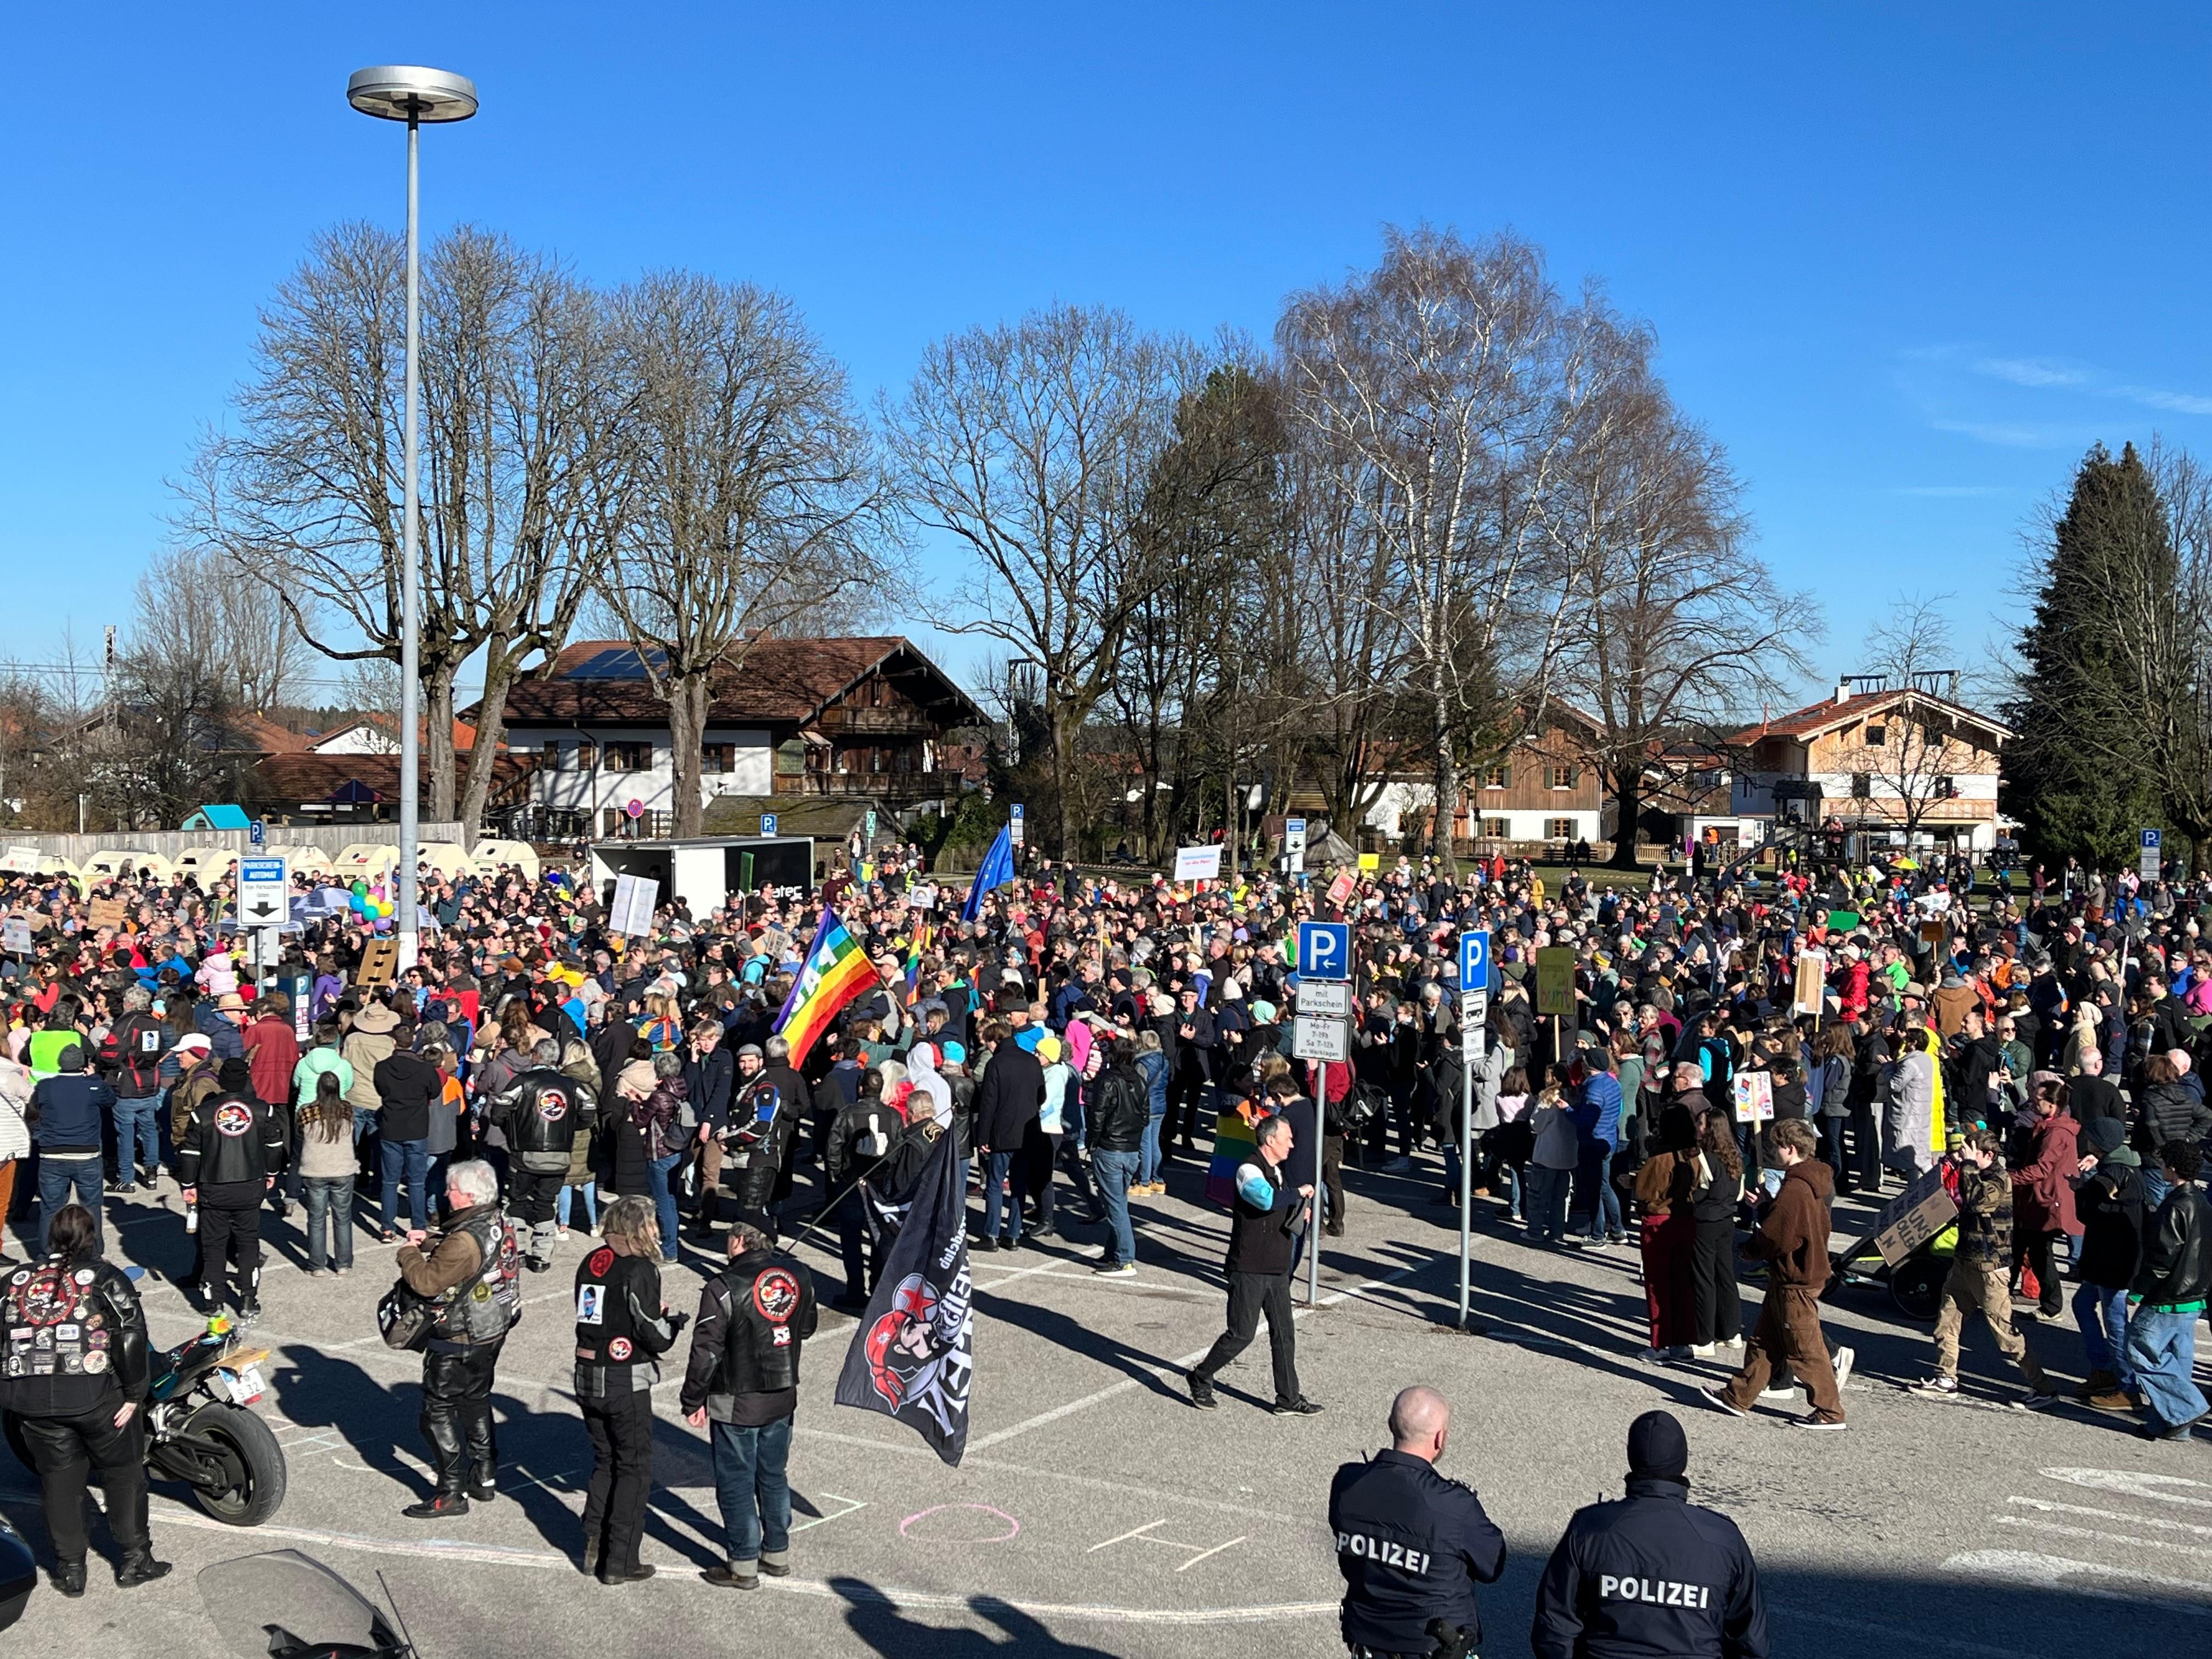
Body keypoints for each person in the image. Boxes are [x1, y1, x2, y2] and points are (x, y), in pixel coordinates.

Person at [0, 1203, 168, 1595]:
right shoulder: (105, 1277)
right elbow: (130, 1336)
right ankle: (135, 1560)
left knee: (59, 1483)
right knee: (124, 1476)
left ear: (50, 1237)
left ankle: (71, 1569)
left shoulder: (14, 1281)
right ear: (91, 1237)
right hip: (98, 1400)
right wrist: (134, 1393)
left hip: (33, 1404)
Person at [1531, 1409, 1767, 1659]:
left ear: (1632, 1458)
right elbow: (1750, 1640)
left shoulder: (1590, 1528)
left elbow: (1555, 1626)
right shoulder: (1723, 1538)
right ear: (1682, 1461)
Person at [681, 1221, 820, 1590]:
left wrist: (693, 1398)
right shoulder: (799, 1273)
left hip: (736, 1397)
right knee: (773, 1474)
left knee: (737, 1480)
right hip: (782, 1392)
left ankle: (743, 1562)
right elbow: (806, 1327)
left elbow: (706, 1351)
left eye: (730, 1237)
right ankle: (777, 1552)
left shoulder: (723, 1286)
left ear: (739, 1241)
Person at [1329, 1385, 1505, 1659]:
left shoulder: (1347, 1484)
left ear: (1391, 1425)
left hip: (1367, 1643)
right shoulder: (1454, 1507)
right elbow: (1492, 1565)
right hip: (1434, 1648)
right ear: (1440, 1439)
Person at [393, 1158, 524, 1519]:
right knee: (476, 1399)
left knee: (436, 1410)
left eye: (451, 1190)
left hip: (460, 1335)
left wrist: (407, 1253)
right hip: (493, 1328)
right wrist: (434, 1240)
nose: (446, 1195)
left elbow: (427, 1281)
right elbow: (473, 1249)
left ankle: (450, 1490)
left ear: (467, 1196)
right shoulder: (500, 1219)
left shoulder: (464, 1240)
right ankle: (484, 1475)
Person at [1705, 1119, 1847, 1430]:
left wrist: (1752, 1248)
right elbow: (1798, 1226)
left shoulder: (1796, 1188)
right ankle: (1738, 1397)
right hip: (1793, 1274)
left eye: (1777, 1146)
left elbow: (1779, 1236)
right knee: (1764, 1341)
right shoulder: (1811, 1181)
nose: (1774, 1151)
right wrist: (1769, 1205)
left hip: (1796, 1277)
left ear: (1791, 1149)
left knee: (1804, 1348)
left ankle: (1829, 1412)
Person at [573, 1195, 685, 1583]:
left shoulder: (592, 1260)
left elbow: (593, 1313)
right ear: (640, 1227)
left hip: (587, 1371)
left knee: (605, 1463)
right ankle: (620, 1561)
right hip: (624, 1379)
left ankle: (592, 1543)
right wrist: (672, 1323)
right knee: (634, 1469)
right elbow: (653, 1335)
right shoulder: (640, 1268)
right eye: (652, 1223)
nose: (656, 1229)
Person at [1908, 1127, 2055, 1407]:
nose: (1964, 1156)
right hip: (1965, 1262)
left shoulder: (1999, 1179)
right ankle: (1946, 1378)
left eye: (1970, 1151)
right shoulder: (1974, 1173)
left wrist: (1969, 1165)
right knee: (1946, 1322)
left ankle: (2043, 1388)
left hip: (1991, 1269)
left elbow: (1977, 1203)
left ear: (1988, 1154)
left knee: (2005, 1336)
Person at [1186, 1113, 1319, 1415]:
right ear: (1270, 1140)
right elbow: (1264, 1200)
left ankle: (1288, 1399)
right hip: (1248, 1267)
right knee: (1241, 1334)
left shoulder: (1278, 1170)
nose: (1292, 1145)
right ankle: (1200, 1377)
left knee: (1284, 1334)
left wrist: (1298, 1214)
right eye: (1288, 1139)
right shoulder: (1249, 1169)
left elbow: (1276, 1207)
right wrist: (1296, 1195)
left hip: (1276, 1267)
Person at [177, 1056, 288, 1318]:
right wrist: (271, 1173)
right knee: (248, 1242)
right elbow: (274, 1145)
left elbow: (190, 1152)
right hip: (250, 1185)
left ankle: (214, 1302)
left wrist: (188, 1184)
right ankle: (248, 1299)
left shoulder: (204, 1112)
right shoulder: (262, 1109)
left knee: (213, 1245)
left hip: (214, 1187)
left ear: (223, 1082)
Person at [2124, 1139, 2211, 1441]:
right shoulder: (2202, 1202)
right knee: (2179, 1359)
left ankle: (2188, 1407)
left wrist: (2138, 1291)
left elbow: (2162, 1257)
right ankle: (2172, 1425)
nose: (2160, 1167)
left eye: (2163, 1163)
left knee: (2141, 1352)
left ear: (2172, 1168)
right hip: (2194, 1297)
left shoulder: (2175, 1206)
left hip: (2167, 1297)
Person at [484, 1041, 597, 1272]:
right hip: (559, 1156)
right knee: (546, 1204)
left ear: (536, 1056)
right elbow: (589, 1107)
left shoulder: (524, 1082)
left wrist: (511, 1127)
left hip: (524, 1155)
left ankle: (518, 1251)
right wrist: (571, 1127)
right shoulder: (570, 1084)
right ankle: (542, 1257)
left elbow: (500, 1109)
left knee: (517, 1201)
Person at [2074, 1116, 2144, 1409]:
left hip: (2114, 1265)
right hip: (2105, 1262)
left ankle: (2128, 1389)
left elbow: (2091, 1214)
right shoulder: (2124, 1165)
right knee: (2081, 1304)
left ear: (2098, 1143)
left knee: (2116, 1324)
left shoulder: (2112, 1174)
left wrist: (2082, 1186)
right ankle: (2102, 1370)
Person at [26, 1043, 113, 1252]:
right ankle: (93, 1252)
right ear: (83, 1065)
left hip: (52, 1155)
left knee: (50, 1207)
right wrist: (93, 1078)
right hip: (86, 1154)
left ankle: (49, 1253)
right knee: (91, 1206)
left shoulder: (45, 1087)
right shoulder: (93, 1086)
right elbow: (111, 1100)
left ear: (60, 1064)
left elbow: (34, 1107)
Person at [973, 1018, 1044, 1250]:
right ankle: (1013, 1234)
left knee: (995, 1184)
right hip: (1027, 1132)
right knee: (1019, 1185)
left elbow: (988, 1104)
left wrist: (982, 1137)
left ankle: (991, 1234)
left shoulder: (997, 1064)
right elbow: (1041, 1096)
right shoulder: (1032, 1062)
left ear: (995, 1042)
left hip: (1002, 1133)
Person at [95, 984, 167, 1193]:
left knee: (125, 1132)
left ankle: (127, 1179)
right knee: (149, 1128)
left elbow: (111, 1053)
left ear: (129, 1003)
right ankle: (151, 1172)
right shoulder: (154, 1022)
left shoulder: (126, 1023)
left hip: (128, 1083)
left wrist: (100, 1052)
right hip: (150, 1082)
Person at [1087, 1037, 1148, 1276]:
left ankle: (1125, 1259)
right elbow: (1145, 1116)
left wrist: (1093, 1143)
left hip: (1111, 1148)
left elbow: (1098, 1115)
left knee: (1115, 1207)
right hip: (1130, 1149)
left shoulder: (1109, 1081)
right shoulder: (1140, 1081)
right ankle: (1113, 1253)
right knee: (1118, 1202)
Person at [1688, 1111, 1745, 1358]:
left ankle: (1704, 1338)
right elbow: (1740, 1193)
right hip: (1727, 1220)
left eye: (1701, 1124)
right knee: (1725, 1276)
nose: (1698, 1128)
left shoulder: (1704, 1158)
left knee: (1704, 1279)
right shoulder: (1736, 1157)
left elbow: (1699, 1192)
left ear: (1710, 1129)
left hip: (1705, 1222)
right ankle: (1731, 1332)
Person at [296, 1070, 359, 1276]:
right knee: (343, 1218)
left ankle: (317, 1265)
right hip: (343, 1168)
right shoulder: (347, 1110)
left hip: (315, 1169)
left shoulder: (306, 1112)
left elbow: (299, 1137)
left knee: (316, 1219)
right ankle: (343, 1264)